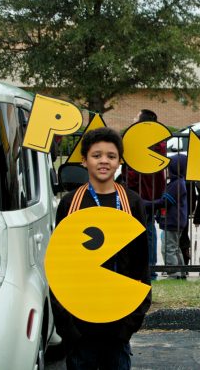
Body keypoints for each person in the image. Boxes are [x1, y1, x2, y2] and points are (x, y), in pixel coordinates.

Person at [52, 127, 150, 370]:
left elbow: (141, 265)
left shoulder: (132, 202)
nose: (104, 161)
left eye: (111, 156)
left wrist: (129, 325)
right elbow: (59, 266)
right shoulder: (70, 203)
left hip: (119, 323)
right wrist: (68, 328)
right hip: (80, 324)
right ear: (84, 160)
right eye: (97, 155)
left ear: (119, 162)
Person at [124, 109, 167, 280]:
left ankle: (148, 268)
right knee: (148, 230)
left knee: (146, 230)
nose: (133, 118)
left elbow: (136, 169)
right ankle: (148, 267)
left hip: (143, 192)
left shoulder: (145, 143)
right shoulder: (158, 143)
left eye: (136, 116)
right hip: (152, 191)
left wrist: (129, 182)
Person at [149, 154, 188, 279]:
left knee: (168, 248)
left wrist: (146, 204)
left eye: (168, 168)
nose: (166, 171)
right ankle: (181, 272)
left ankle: (173, 273)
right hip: (177, 221)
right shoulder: (178, 183)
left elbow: (164, 202)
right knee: (175, 248)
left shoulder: (176, 185)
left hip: (173, 221)